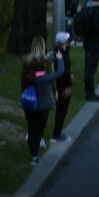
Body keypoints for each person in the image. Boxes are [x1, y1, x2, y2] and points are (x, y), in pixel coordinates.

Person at [20, 34, 66, 164]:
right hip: (43, 102)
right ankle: (35, 150)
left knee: (31, 127)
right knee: (39, 129)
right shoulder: (44, 72)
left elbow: (22, 79)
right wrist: (59, 59)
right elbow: (57, 73)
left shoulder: (27, 61)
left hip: (29, 100)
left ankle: (33, 154)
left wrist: (26, 91)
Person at [75, 0, 99, 100]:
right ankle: (90, 93)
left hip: (87, 41)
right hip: (94, 42)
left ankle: (88, 90)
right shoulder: (96, 12)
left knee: (87, 66)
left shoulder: (85, 8)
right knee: (91, 68)